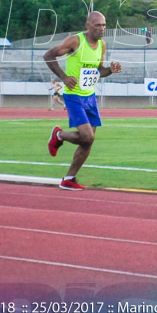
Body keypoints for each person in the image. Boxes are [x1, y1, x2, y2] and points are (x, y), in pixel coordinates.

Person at [43, 11, 122, 190]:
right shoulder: (75, 41)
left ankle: (69, 178)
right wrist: (63, 77)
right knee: (87, 136)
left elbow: (99, 71)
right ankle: (59, 135)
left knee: (88, 141)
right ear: (88, 26)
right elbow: (49, 56)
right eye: (97, 25)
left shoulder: (102, 45)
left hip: (90, 96)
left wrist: (110, 70)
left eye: (104, 25)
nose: (102, 29)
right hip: (73, 95)